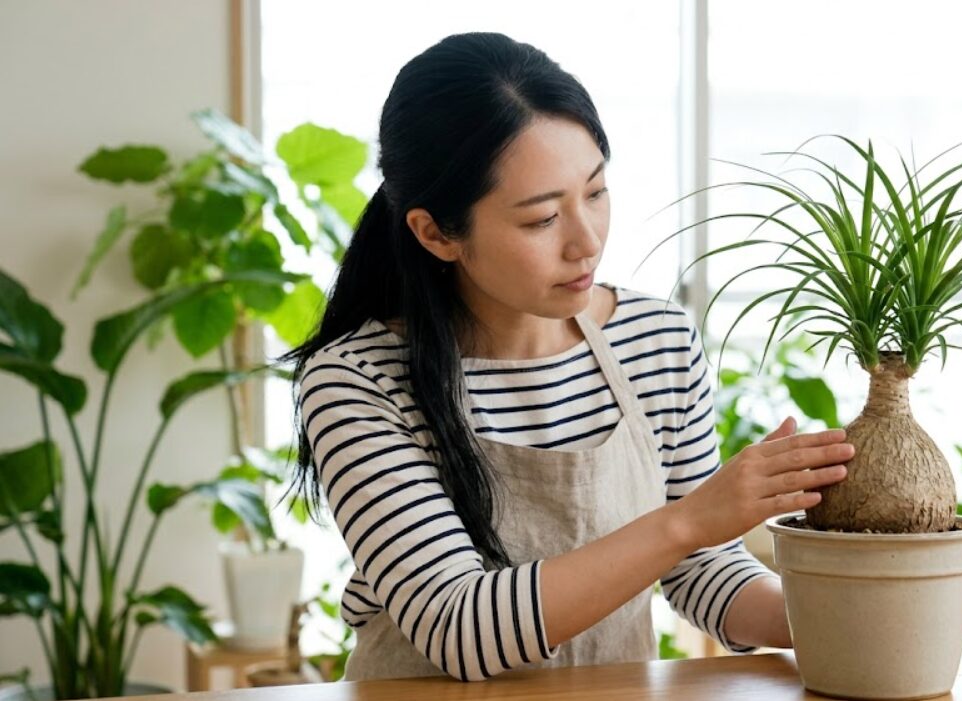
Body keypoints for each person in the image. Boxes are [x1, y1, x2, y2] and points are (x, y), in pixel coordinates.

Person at [283, 32, 854, 683]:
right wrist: (686, 521)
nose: (586, 242)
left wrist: (848, 618)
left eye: (595, 192)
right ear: (436, 232)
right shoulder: (358, 382)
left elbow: (701, 568)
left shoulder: (656, 339)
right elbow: (456, 626)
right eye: (540, 218)